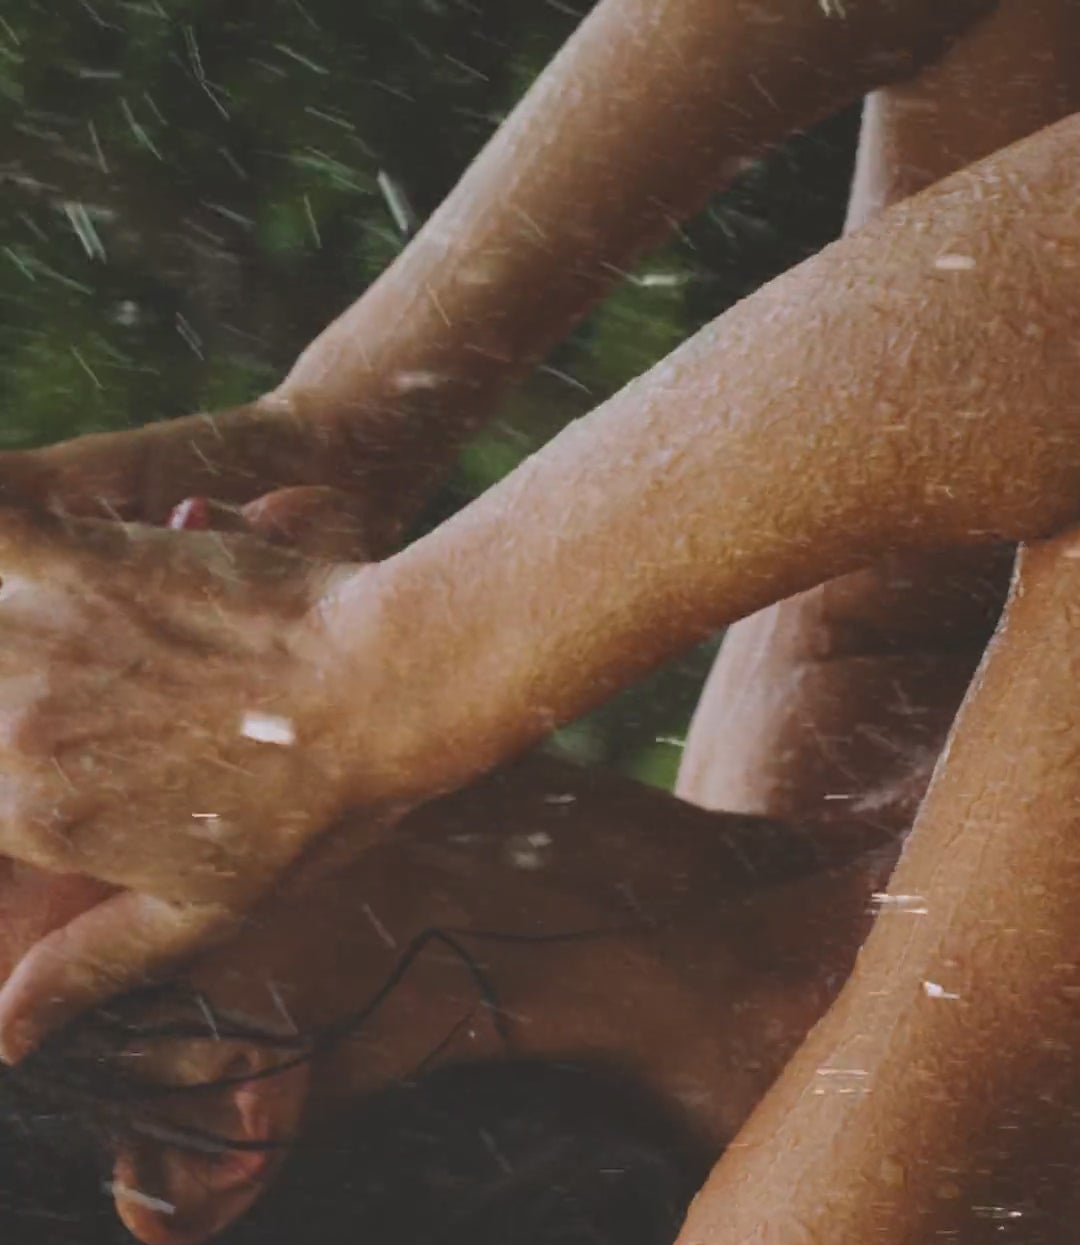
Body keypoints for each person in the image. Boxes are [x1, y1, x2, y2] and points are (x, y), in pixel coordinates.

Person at [0, 0, 1073, 1050]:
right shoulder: (885, 1106)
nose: (69, 644)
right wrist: (362, 671)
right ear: (216, 1072)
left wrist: (348, 422)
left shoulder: (821, 782)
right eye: (33, 797)